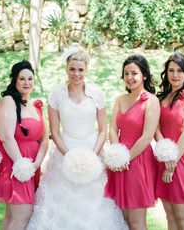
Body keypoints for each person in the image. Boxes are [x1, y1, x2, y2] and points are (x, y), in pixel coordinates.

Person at [26, 45, 128, 230]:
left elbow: (103, 130)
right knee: (61, 203)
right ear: (66, 69)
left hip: (92, 150)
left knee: (94, 204)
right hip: (64, 152)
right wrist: (68, 155)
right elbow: (55, 131)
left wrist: (93, 155)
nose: (76, 74)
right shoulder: (56, 93)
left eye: (81, 69)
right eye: (72, 69)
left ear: (86, 70)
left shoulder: (96, 93)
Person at [0, 60, 48, 230]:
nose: (27, 83)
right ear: (14, 80)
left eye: (30, 78)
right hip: (16, 164)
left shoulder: (35, 105)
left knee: (13, 217)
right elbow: (6, 136)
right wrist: (22, 165)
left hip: (32, 164)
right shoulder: (8, 101)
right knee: (21, 216)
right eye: (22, 79)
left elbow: (44, 139)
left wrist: (36, 163)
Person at [105, 55, 160, 230]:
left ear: (144, 75)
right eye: (126, 73)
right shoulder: (120, 99)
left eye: (134, 73)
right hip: (118, 159)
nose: (129, 77)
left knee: (136, 221)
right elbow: (113, 129)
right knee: (124, 218)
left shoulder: (151, 100)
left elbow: (147, 135)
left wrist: (126, 158)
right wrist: (116, 154)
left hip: (138, 160)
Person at [155, 53, 184, 230]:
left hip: (181, 159)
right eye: (171, 70)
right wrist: (164, 155)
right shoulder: (161, 98)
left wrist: (172, 162)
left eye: (179, 70)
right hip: (163, 158)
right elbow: (155, 129)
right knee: (170, 218)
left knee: (183, 219)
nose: (175, 74)